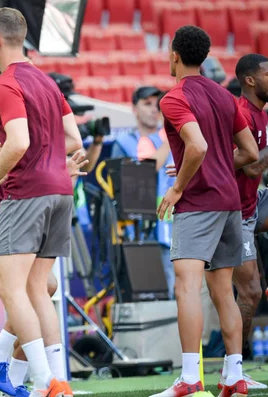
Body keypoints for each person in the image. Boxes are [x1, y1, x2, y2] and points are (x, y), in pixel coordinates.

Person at [0, 7, 82, 397]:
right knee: (37, 289)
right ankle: (55, 380)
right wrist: (54, 164)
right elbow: (75, 141)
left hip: (28, 191)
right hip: (62, 191)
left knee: (12, 290)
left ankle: (45, 380)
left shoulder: (4, 82)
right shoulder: (47, 81)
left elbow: (18, 142)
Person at [152, 26, 258, 397]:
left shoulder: (174, 97)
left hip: (198, 205)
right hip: (231, 203)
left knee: (186, 288)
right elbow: (249, 153)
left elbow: (195, 145)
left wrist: (179, 186)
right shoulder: (225, 95)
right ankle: (233, 376)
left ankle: (190, 378)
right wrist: (216, 168)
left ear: (174, 55)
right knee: (223, 293)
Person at [217, 53, 268, 391]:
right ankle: (233, 369)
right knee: (249, 291)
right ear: (250, 79)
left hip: (251, 204)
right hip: (232, 211)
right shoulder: (242, 113)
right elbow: (250, 166)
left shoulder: (262, 115)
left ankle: (233, 369)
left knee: (250, 292)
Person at [111, 85, 176, 299]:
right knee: (147, 294)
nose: (153, 109)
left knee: (177, 290)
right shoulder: (124, 143)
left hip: (173, 225)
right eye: (146, 104)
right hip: (138, 232)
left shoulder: (176, 139)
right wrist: (169, 142)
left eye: (156, 104)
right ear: (134, 109)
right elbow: (138, 176)